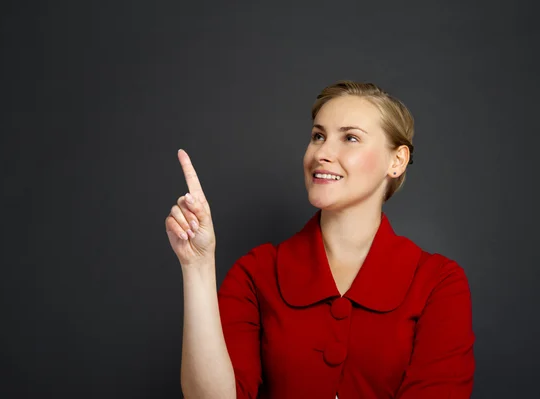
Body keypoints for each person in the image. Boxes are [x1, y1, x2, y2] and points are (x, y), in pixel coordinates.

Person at [165, 80, 475, 399]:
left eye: (350, 138)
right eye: (318, 136)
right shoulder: (256, 272)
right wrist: (198, 266)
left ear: (396, 161)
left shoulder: (439, 282)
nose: (321, 153)